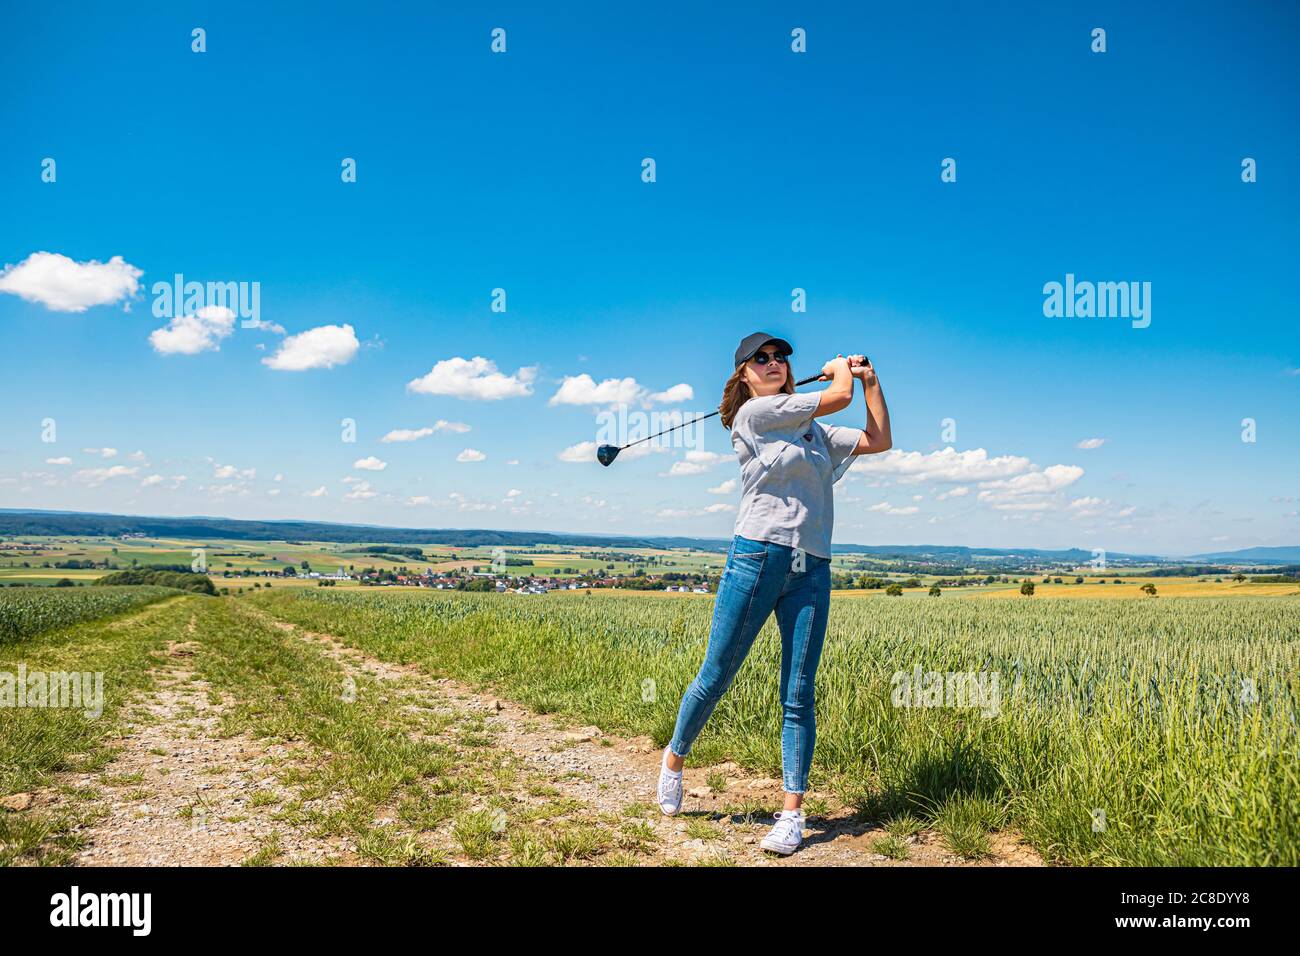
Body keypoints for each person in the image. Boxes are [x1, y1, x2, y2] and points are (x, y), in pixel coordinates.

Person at [656, 332, 893, 855]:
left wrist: (871, 380)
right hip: (757, 557)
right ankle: (674, 757)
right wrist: (841, 373)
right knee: (717, 674)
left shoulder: (813, 431)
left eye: (780, 356)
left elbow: (879, 440)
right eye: (759, 359)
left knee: (799, 689)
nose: (773, 363)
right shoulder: (755, 418)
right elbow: (839, 396)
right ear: (743, 376)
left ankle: (791, 813)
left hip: (813, 565)